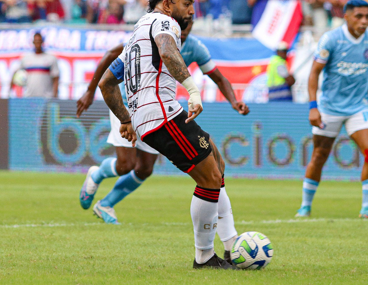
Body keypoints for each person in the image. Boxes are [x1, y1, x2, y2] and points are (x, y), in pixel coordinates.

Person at [77, 16, 248, 263]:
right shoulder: (150, 35)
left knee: (145, 169)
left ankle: (106, 204)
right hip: (126, 104)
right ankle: (97, 173)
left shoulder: (193, 46)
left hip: (159, 108)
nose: (183, 36)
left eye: (186, 33)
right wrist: (90, 91)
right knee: (126, 164)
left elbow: (218, 77)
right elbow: (110, 60)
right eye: (182, 31)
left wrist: (234, 101)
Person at [296, 0, 368, 220]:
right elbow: (314, 73)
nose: (364, 21)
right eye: (359, 16)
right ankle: (305, 206)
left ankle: (367, 208)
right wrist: (313, 107)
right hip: (330, 107)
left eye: (367, 16)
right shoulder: (331, 39)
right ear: (346, 16)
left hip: (359, 106)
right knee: (319, 155)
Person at [12, 32, 59, 98]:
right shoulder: (26, 58)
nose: (38, 43)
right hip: (29, 97)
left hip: (46, 97)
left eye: (39, 41)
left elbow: (56, 78)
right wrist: (10, 90)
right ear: (33, 42)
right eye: (36, 41)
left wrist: (55, 95)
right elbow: (15, 73)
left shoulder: (51, 58)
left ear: (42, 42)